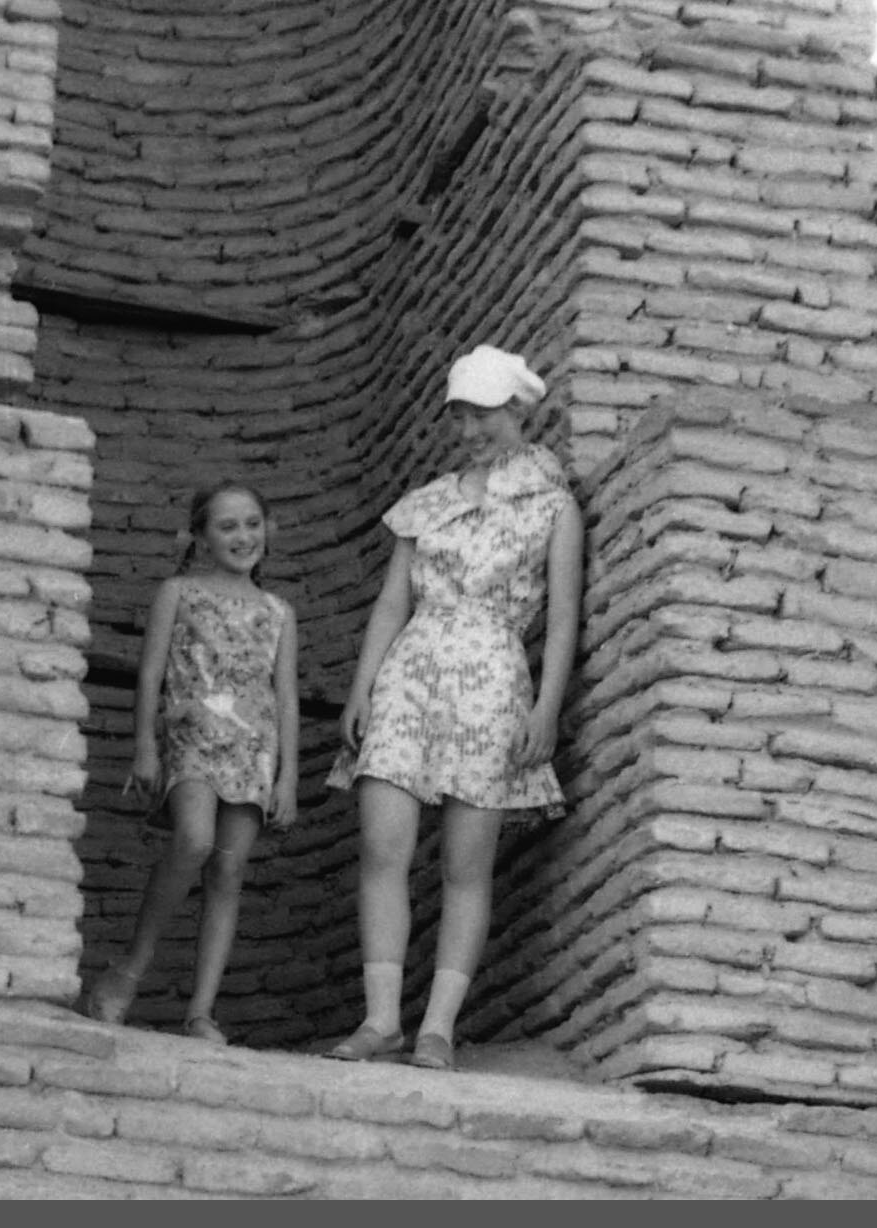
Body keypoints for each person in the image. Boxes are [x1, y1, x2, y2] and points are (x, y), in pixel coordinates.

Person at [323, 344, 583, 1071]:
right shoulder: (429, 501)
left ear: (517, 411)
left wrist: (547, 708)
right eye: (459, 418)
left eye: (482, 416)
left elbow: (564, 618)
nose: (469, 432)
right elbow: (391, 603)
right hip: (411, 670)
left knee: (466, 865)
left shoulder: (553, 505)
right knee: (383, 845)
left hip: (493, 678)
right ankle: (381, 1019)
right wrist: (362, 686)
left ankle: (438, 1026)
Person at [86, 481, 299, 1045]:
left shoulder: (279, 612)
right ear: (201, 537)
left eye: (252, 523)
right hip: (192, 738)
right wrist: (144, 746)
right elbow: (151, 673)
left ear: (268, 530)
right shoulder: (177, 593)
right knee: (195, 841)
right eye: (227, 526)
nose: (243, 536)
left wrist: (289, 777)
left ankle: (201, 1012)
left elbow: (286, 698)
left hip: (253, 751)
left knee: (228, 872)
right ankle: (128, 971)